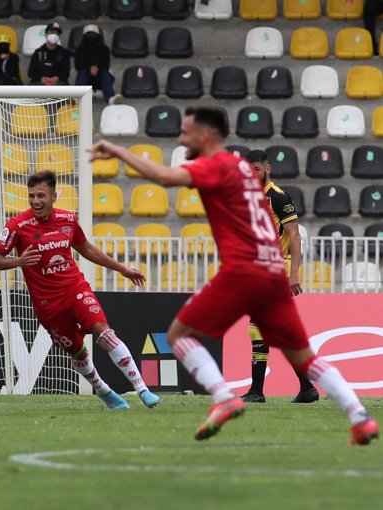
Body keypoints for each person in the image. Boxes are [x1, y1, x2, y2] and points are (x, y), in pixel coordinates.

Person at [89, 106, 378, 445]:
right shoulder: (244, 169)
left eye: (185, 132)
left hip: (245, 268)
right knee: (303, 356)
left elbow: (165, 178)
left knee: (180, 335)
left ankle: (224, 399)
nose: (181, 139)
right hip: (272, 270)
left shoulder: (218, 165)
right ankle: (359, 417)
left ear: (205, 135)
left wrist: (117, 149)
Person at [0, 171, 161, 410]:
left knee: (104, 332)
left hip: (74, 288)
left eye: (41, 195)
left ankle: (142, 388)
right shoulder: (18, 226)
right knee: (78, 353)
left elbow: (86, 248)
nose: (35, 201)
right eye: (31, 196)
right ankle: (103, 390)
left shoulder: (68, 220)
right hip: (48, 305)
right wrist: (18, 262)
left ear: (54, 196)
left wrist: (121, 268)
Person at [241, 149, 319, 405]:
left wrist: (294, 272)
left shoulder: (278, 197)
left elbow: (294, 236)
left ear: (267, 169)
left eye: (257, 169)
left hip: (278, 269)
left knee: (257, 328)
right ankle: (307, 388)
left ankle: (257, 391)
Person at [73, 24, 120, 104]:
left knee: (105, 74)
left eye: (93, 34)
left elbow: (106, 65)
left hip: (100, 77)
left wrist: (96, 67)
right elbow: (78, 65)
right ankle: (80, 97)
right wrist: (89, 68)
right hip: (86, 77)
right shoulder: (79, 49)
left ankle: (110, 98)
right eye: (88, 34)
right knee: (82, 73)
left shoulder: (105, 49)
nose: (91, 36)